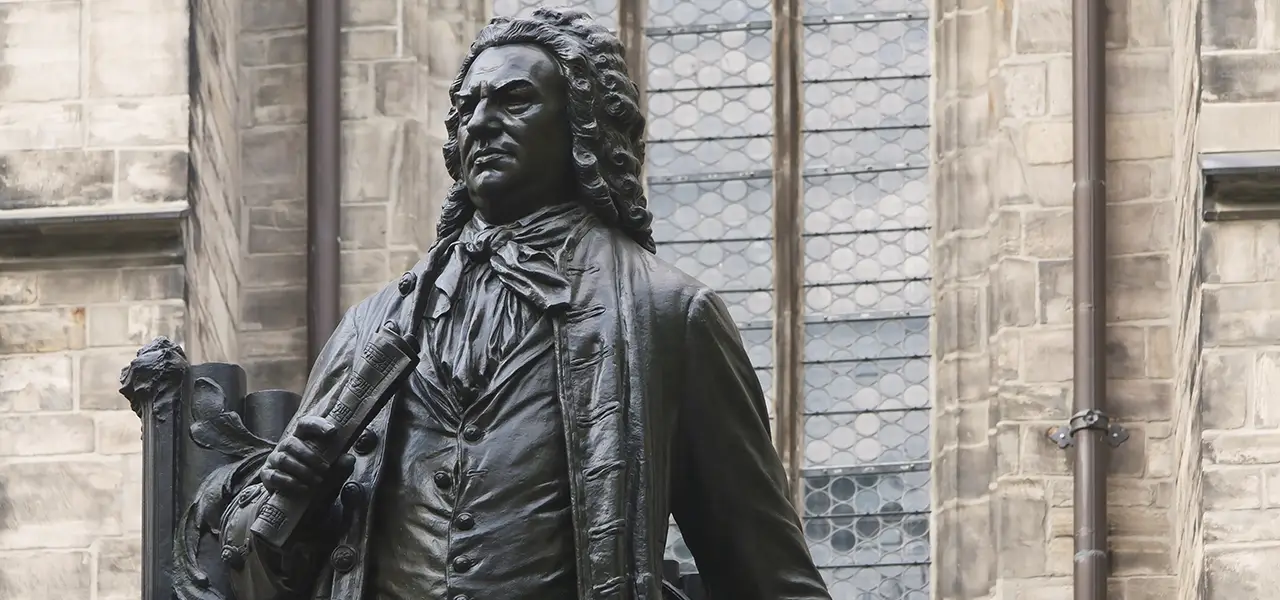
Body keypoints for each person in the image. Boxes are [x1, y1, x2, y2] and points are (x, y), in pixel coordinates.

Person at [218, 6, 832, 599]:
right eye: (466, 108)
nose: (479, 123)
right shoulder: (371, 327)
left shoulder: (667, 313)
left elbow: (767, 576)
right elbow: (253, 573)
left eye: (514, 100)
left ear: (582, 124)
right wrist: (304, 498)